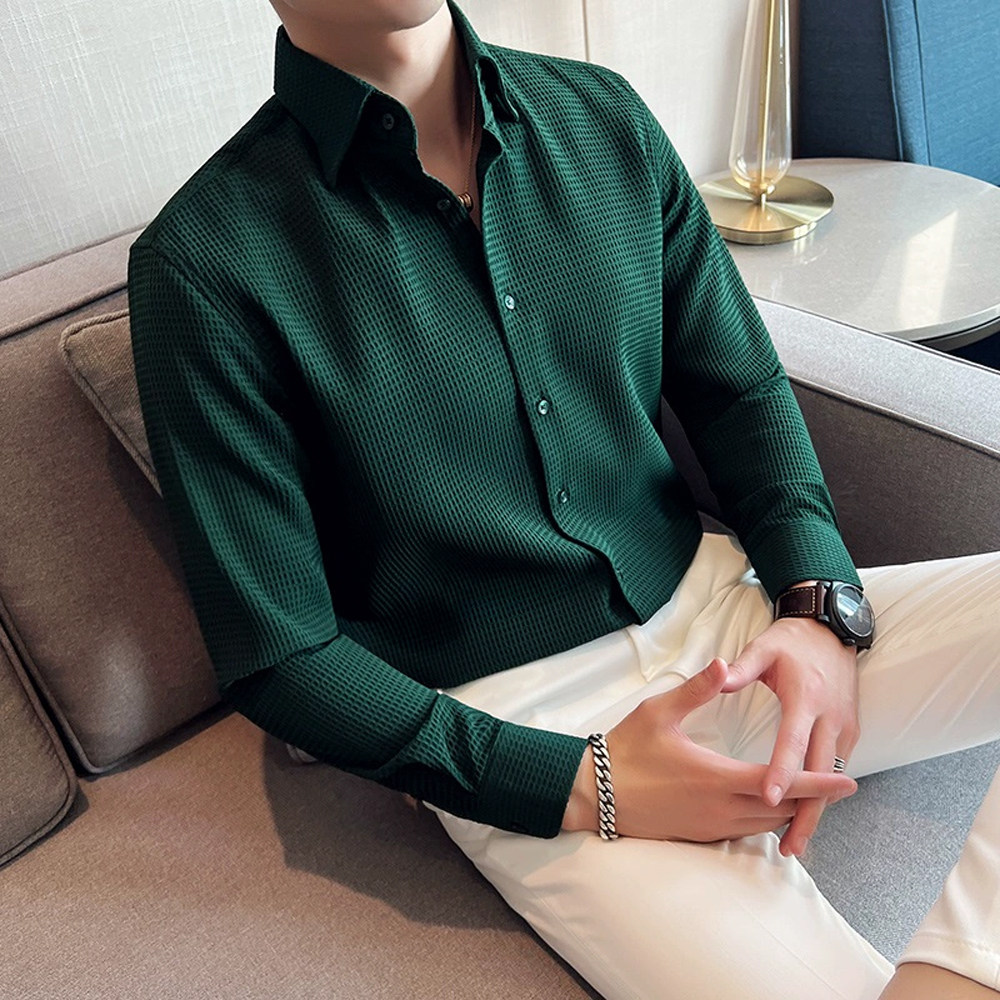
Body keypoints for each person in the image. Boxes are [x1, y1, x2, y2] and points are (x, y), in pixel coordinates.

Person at [125, 1, 1000, 997]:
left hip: (736, 620)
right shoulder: (204, 263)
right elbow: (280, 654)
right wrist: (583, 784)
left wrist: (817, 606)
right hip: (524, 722)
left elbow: (738, 391)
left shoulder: (605, 119)